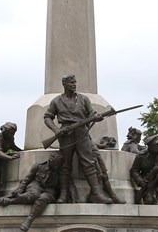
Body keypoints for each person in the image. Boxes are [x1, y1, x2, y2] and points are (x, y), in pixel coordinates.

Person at [43, 74, 111, 204]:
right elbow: (47, 117)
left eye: (75, 82)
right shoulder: (56, 101)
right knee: (65, 165)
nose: (74, 84)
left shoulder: (84, 99)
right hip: (65, 133)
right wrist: (56, 130)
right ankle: (63, 195)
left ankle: (96, 193)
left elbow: (91, 113)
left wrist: (96, 117)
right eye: (71, 82)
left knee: (88, 162)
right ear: (64, 84)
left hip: (82, 133)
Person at [0, 152, 63, 232]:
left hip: (49, 190)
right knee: (34, 194)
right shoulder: (38, 166)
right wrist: (20, 190)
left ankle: (28, 220)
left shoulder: (61, 172)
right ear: (50, 160)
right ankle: (10, 199)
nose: (57, 166)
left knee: (43, 198)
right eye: (55, 164)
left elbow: (67, 185)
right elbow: (27, 180)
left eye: (58, 164)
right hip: (36, 184)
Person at [130, 135, 158, 205]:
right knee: (149, 201)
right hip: (148, 181)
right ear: (150, 146)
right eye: (156, 145)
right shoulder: (141, 156)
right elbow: (134, 170)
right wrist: (140, 182)